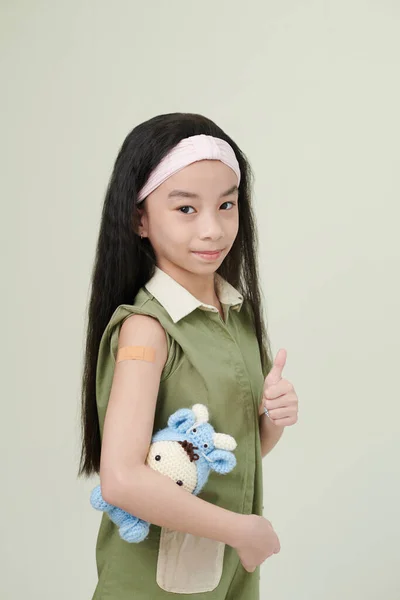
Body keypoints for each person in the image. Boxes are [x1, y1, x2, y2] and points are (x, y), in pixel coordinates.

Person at [78, 112, 299, 599]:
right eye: (186, 209)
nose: (213, 229)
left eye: (226, 205)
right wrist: (240, 530)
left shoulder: (236, 314)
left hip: (225, 575)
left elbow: (231, 454)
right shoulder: (147, 330)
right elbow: (120, 479)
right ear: (139, 218)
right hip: (155, 583)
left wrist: (274, 419)